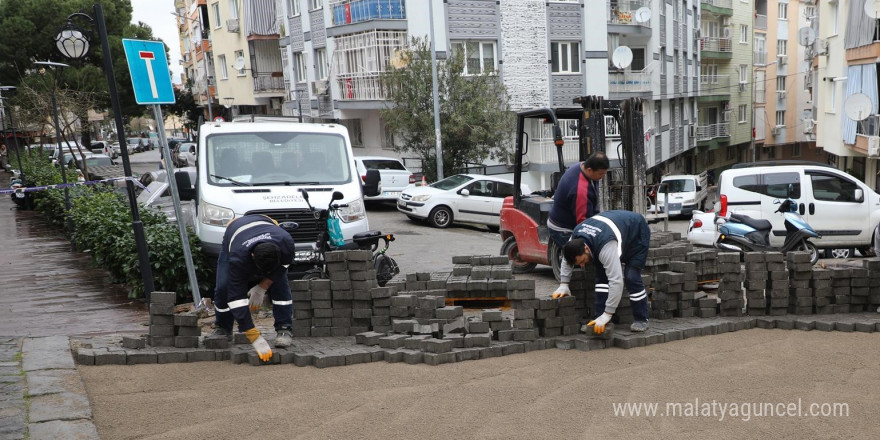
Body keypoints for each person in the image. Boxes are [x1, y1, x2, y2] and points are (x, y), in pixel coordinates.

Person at [212, 214, 296, 361]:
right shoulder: (238, 257)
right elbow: (236, 297)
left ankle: (284, 328)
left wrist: (263, 285)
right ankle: (223, 327)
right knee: (223, 287)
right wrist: (253, 335)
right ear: (252, 256)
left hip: (267, 223)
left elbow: (283, 265)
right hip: (235, 232)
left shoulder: (285, 242)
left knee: (280, 282)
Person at [562, 210, 651, 334]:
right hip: (613, 229)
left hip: (636, 233)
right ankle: (600, 316)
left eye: (582, 260)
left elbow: (616, 280)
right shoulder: (575, 237)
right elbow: (567, 260)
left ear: (586, 249)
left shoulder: (605, 246)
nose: (582, 265)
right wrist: (564, 284)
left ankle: (641, 319)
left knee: (631, 276)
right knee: (601, 278)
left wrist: (608, 313)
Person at [548, 151, 610, 298]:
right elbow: (582, 229)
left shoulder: (582, 166)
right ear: (590, 170)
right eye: (600, 174)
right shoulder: (580, 191)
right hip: (562, 227)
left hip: (569, 217)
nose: (602, 178)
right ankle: (571, 288)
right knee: (576, 251)